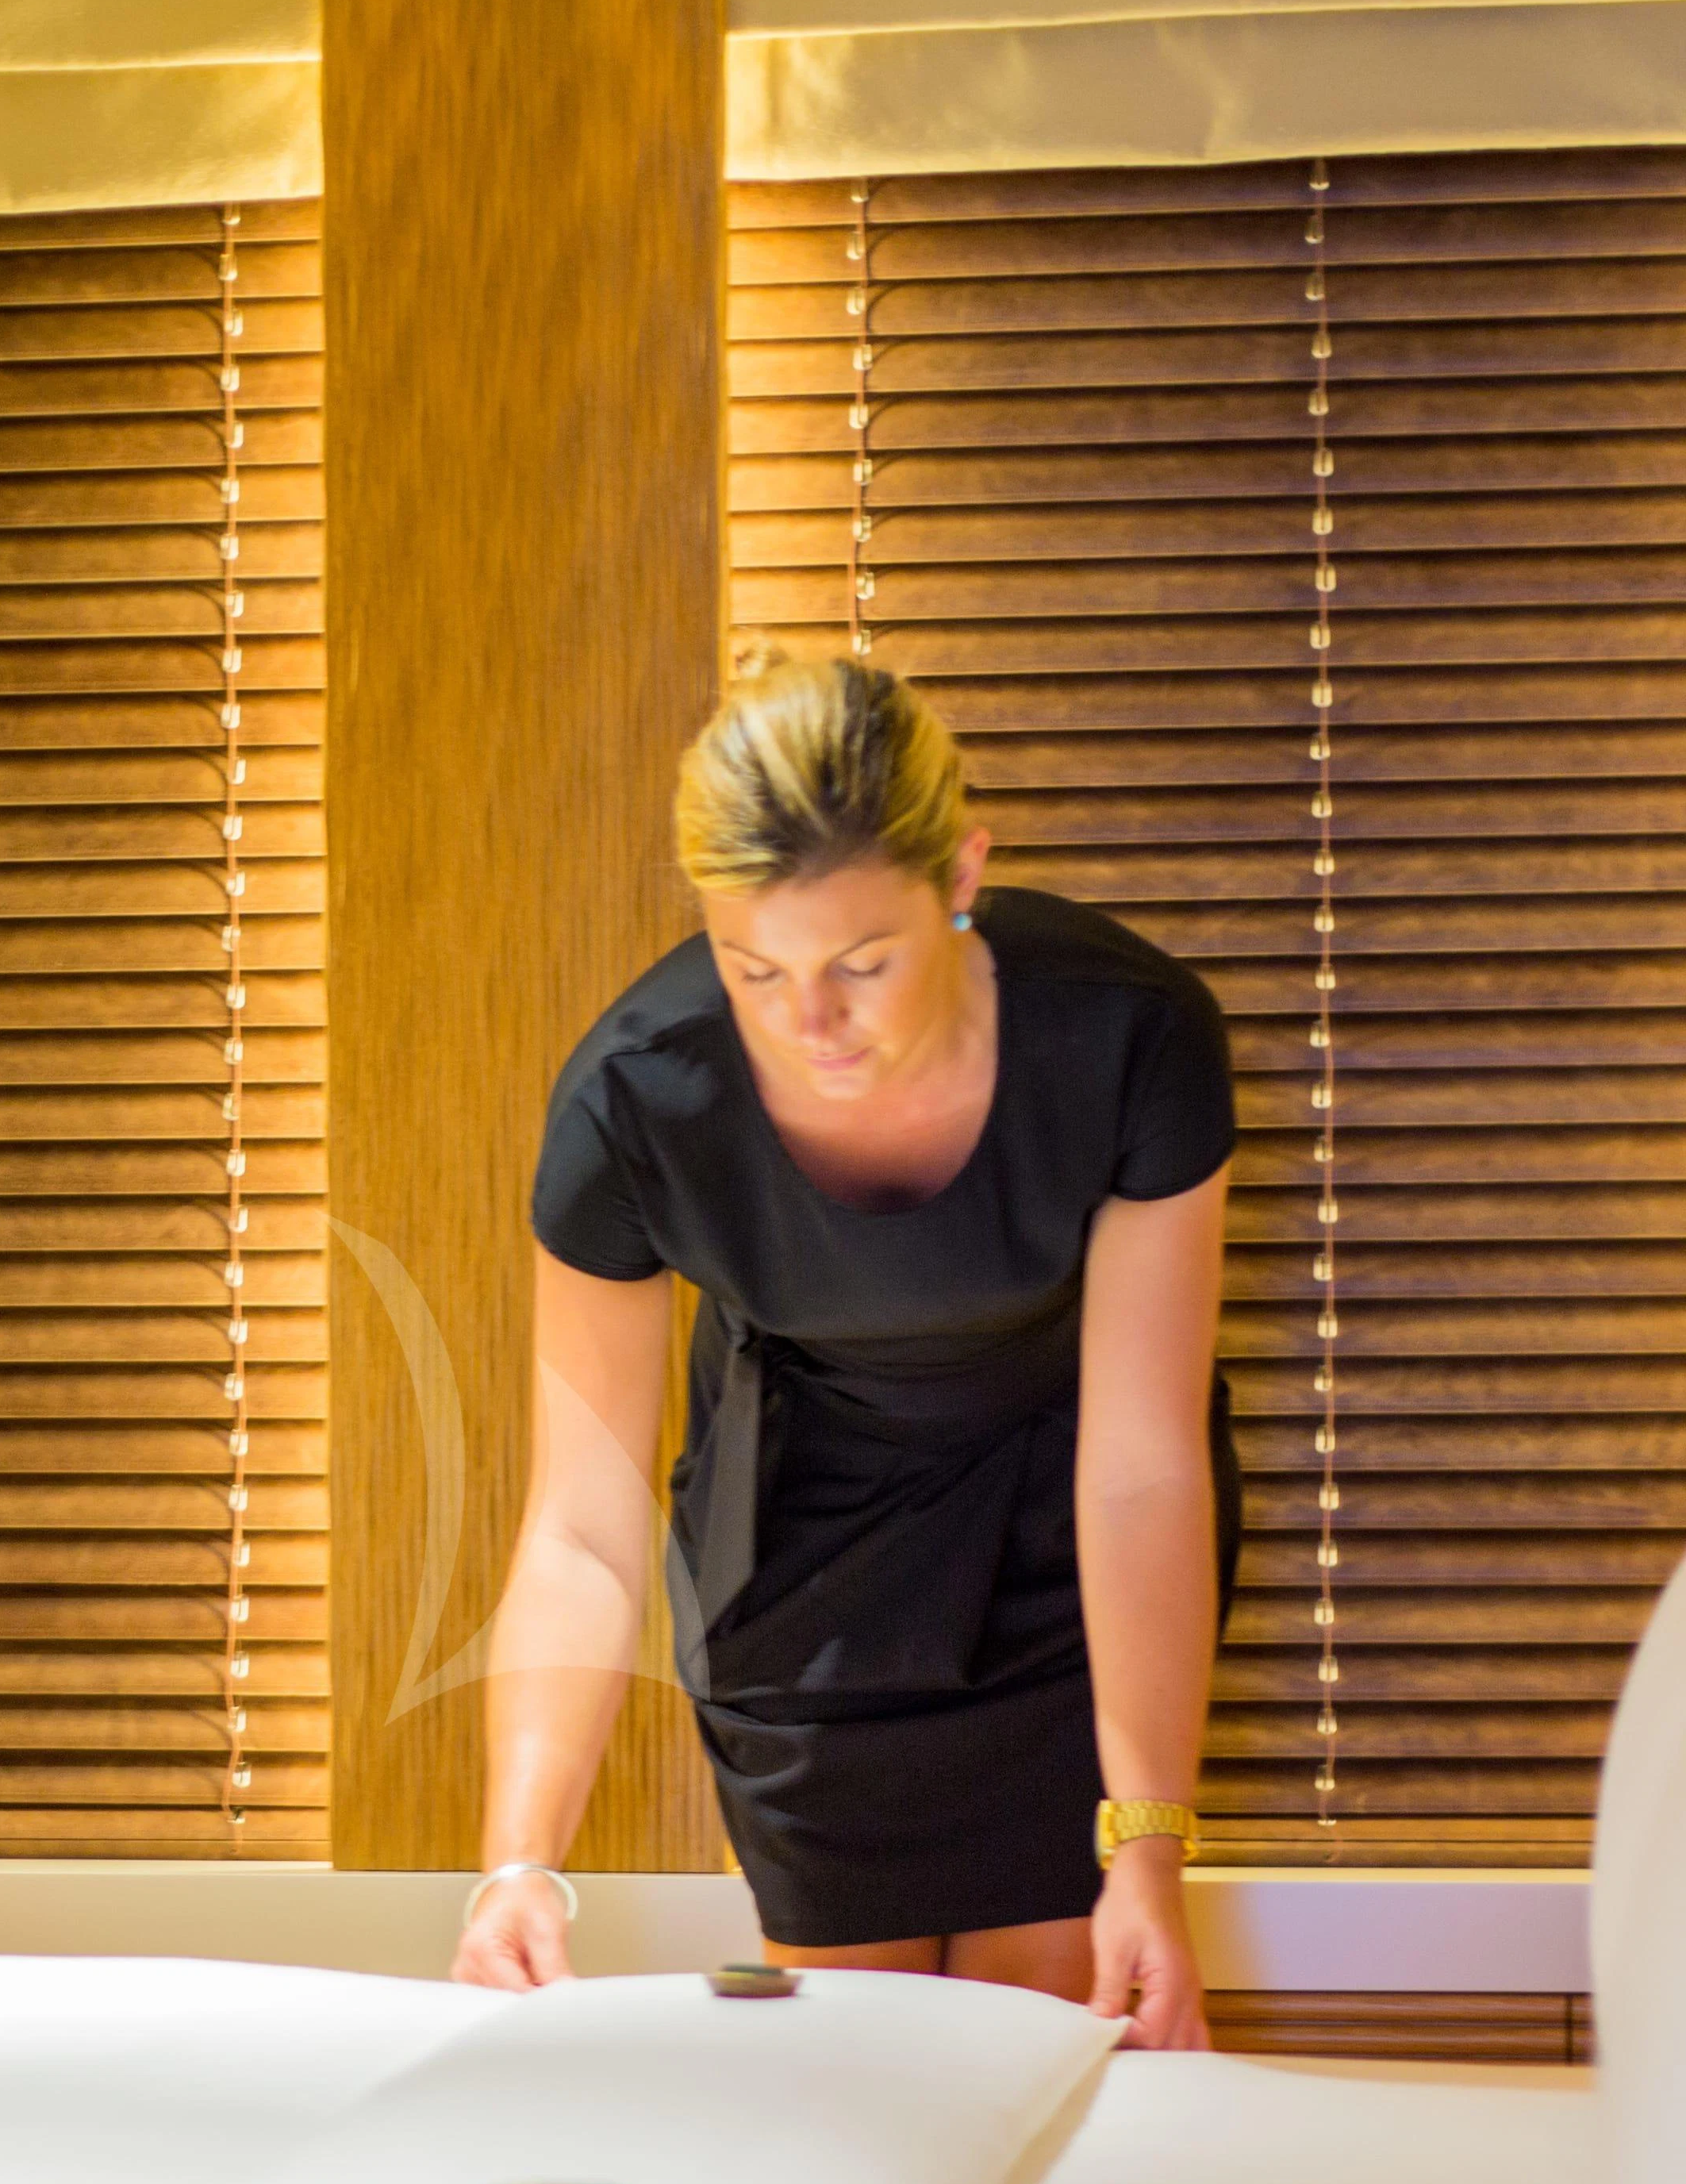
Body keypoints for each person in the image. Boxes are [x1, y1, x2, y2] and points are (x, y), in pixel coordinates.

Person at [452, 656, 1237, 2045]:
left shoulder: (1126, 1037)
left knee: (1044, 2040)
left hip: (1074, 1542)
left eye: (861, 966)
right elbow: (579, 1528)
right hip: (800, 1554)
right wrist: (519, 1862)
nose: (810, 1028)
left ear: (962, 878)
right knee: (853, 2056)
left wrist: (1150, 1844)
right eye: (754, 969)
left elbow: (1140, 1464)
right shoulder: (638, 1099)